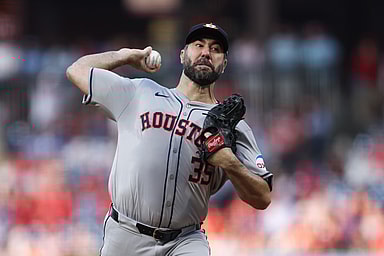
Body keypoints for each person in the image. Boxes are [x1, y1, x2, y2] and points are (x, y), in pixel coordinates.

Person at [66, 23, 273, 256]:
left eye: (216, 49)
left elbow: (262, 197)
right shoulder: (140, 92)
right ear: (183, 54)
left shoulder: (232, 125)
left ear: (223, 64)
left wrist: (229, 163)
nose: (206, 52)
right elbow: (76, 71)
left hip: (185, 241)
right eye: (199, 45)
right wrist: (124, 56)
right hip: (125, 234)